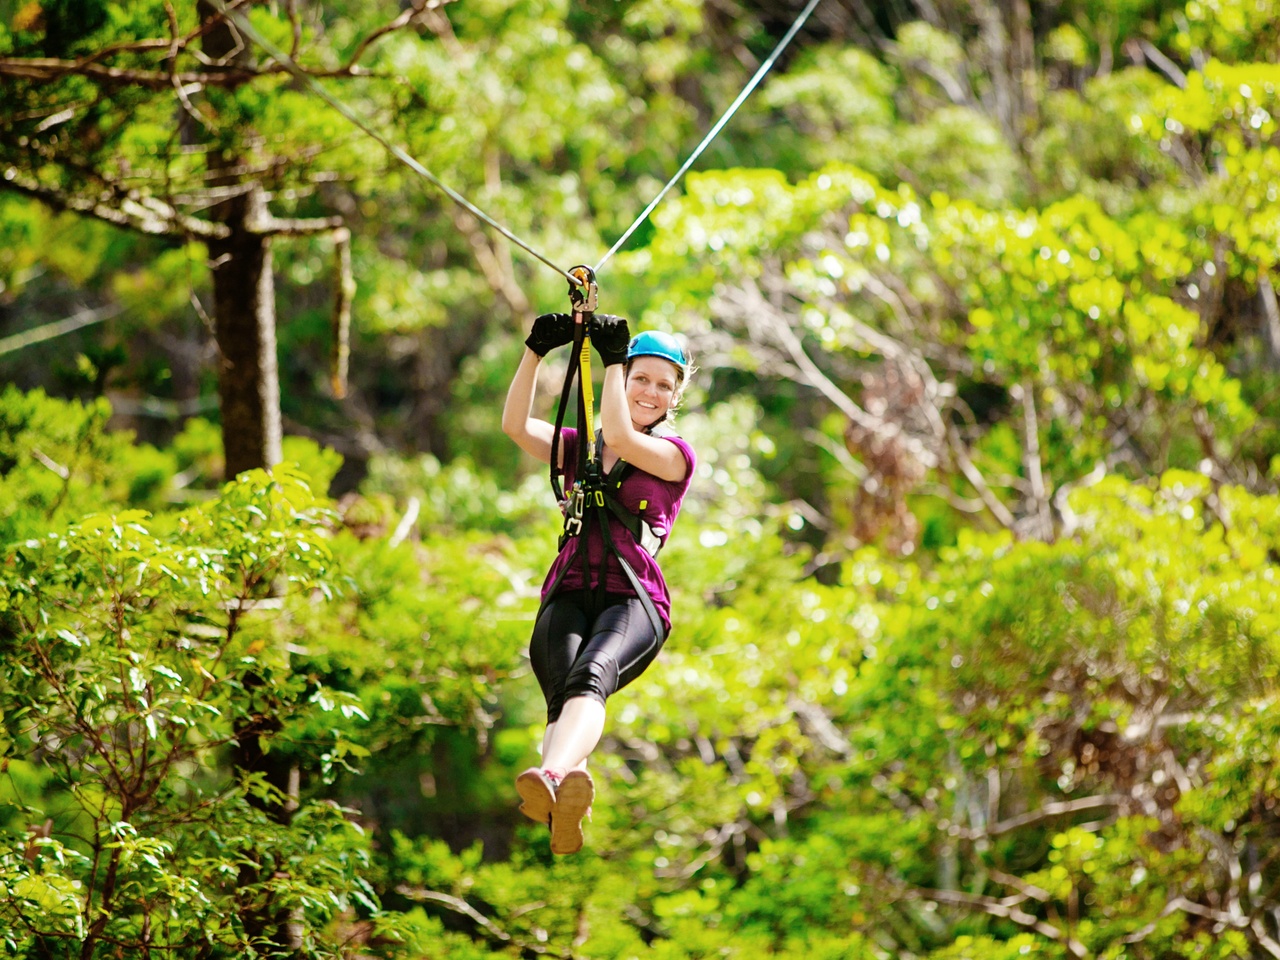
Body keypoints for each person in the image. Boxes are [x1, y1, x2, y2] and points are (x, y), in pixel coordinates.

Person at [501, 311, 696, 855]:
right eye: (641, 378)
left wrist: (611, 362)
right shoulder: (580, 447)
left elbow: (623, 438)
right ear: (625, 377)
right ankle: (566, 799)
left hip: (632, 597)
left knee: (592, 673)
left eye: (664, 385)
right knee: (563, 698)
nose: (651, 392)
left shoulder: (674, 457)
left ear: (674, 398)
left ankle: (553, 775)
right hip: (567, 590)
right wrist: (534, 352)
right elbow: (516, 426)